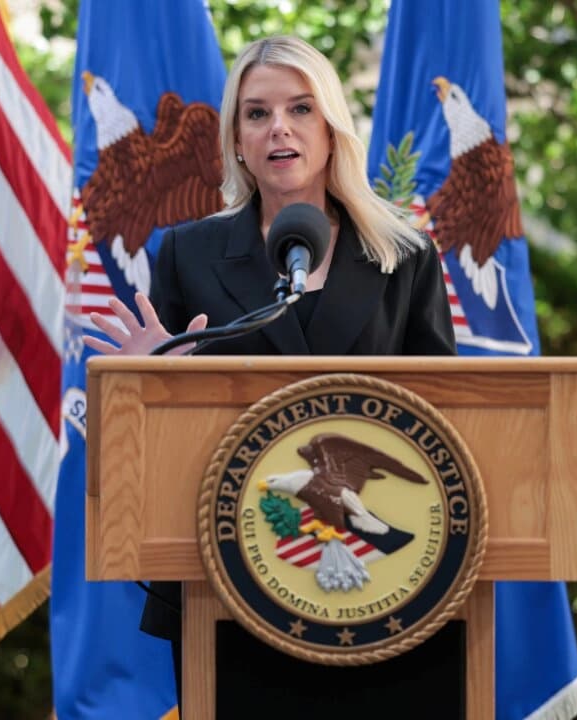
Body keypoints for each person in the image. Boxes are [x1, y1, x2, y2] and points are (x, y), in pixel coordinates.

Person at [85, 36, 459, 718]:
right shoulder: (190, 254)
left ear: (331, 127)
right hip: (227, 578)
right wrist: (144, 385)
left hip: (382, 579)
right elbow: (145, 441)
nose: (278, 127)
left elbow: (445, 424)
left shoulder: (403, 257)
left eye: (300, 108)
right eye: (256, 113)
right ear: (236, 138)